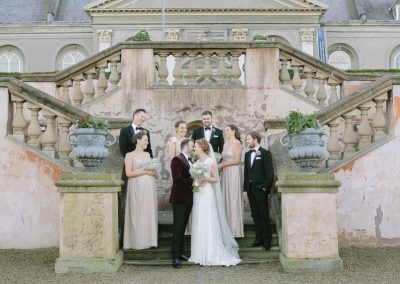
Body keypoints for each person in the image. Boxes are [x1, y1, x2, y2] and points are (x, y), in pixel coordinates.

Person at [189, 138, 241, 266]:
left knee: (207, 220)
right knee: (199, 220)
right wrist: (195, 181)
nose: (194, 148)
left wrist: (204, 178)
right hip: (198, 193)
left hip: (206, 193)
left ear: (201, 147)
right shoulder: (196, 161)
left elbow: (215, 179)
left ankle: (210, 253)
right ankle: (198, 253)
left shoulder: (210, 161)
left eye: (195, 146)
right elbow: (194, 177)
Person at [118, 108, 153, 247]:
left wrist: (151, 165)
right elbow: (123, 148)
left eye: (144, 118)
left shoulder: (146, 133)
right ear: (135, 116)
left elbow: (149, 150)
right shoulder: (125, 131)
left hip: (146, 174)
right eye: (141, 116)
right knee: (133, 205)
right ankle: (133, 237)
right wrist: (134, 158)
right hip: (133, 168)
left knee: (145, 208)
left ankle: (146, 236)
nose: (143, 119)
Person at [123, 132, 158, 250]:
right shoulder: (129, 155)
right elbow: (129, 173)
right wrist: (145, 172)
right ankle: (137, 241)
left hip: (148, 187)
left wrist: (153, 171)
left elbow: (150, 169)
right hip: (136, 187)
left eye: (147, 140)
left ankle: (149, 240)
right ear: (137, 140)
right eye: (145, 140)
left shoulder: (148, 154)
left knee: (147, 212)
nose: (147, 142)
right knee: (137, 212)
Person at [243, 131, 274, 250]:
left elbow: (270, 172)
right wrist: (245, 189)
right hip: (250, 190)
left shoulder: (265, 153)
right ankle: (258, 239)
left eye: (248, 139)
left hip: (261, 189)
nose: (247, 141)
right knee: (255, 216)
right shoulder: (246, 155)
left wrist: (265, 187)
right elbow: (246, 173)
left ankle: (267, 241)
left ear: (255, 139)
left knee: (264, 215)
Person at [170, 138, 195, 269]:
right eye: (192, 146)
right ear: (185, 146)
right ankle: (175, 257)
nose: (194, 148)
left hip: (189, 198)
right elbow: (177, 178)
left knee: (183, 227)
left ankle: (180, 253)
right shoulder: (177, 160)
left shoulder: (191, 160)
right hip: (179, 198)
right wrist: (193, 181)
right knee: (178, 227)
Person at [218, 124, 244, 238]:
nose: (226, 132)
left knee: (233, 198)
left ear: (233, 131)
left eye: (227, 130)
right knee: (226, 197)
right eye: (225, 130)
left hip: (233, 172)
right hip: (225, 173)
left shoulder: (237, 143)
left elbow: (237, 160)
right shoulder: (225, 144)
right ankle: (226, 227)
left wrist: (222, 164)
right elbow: (223, 158)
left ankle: (235, 229)